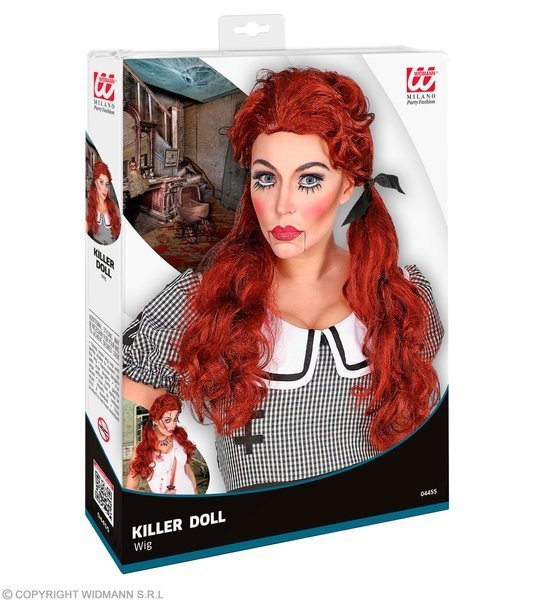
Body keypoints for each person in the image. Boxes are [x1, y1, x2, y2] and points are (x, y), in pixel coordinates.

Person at [122, 67, 445, 492]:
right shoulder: (200, 303)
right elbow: (126, 438)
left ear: (347, 185)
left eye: (309, 180)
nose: (281, 205)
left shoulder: (401, 297)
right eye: (266, 178)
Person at [125, 393, 198, 494]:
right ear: (155, 420)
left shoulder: (180, 438)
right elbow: (131, 487)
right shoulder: (142, 449)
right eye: (167, 420)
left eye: (175, 419)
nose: (172, 425)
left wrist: (195, 491)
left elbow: (187, 468)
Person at [86, 161, 121, 245]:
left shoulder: (114, 206)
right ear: (95, 182)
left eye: (107, 184)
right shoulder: (87, 205)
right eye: (101, 182)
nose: (104, 188)